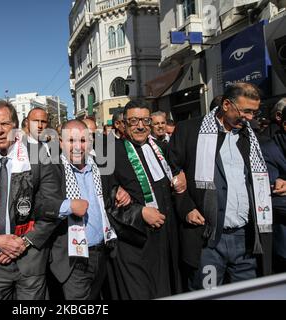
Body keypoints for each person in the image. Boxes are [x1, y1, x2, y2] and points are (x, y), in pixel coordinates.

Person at [168, 83, 273, 291]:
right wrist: (186, 207)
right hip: (207, 241)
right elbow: (170, 172)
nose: (251, 118)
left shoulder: (249, 136)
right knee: (208, 294)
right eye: (246, 111)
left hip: (246, 241)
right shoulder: (190, 131)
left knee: (248, 296)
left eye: (255, 112)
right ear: (226, 104)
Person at [0, 100, 63, 300]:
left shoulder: (38, 156)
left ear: (15, 127)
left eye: (5, 124)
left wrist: (24, 242)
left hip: (29, 259)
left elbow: (53, 207)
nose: (0, 131)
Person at [108, 99, 182, 299]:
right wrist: (139, 212)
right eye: (134, 121)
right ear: (123, 124)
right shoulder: (109, 153)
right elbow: (106, 197)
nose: (140, 126)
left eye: (145, 120)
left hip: (166, 237)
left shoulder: (161, 148)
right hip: (136, 241)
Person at [49, 120, 131, 300]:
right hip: (72, 258)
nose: (78, 146)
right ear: (61, 143)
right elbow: (42, 204)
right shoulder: (52, 169)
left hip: (102, 252)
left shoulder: (100, 167)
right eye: (71, 141)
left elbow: (111, 189)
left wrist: (119, 190)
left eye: (83, 140)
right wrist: (69, 206)